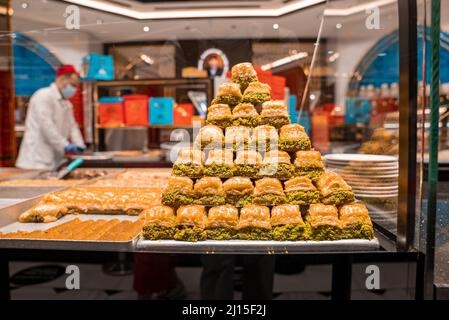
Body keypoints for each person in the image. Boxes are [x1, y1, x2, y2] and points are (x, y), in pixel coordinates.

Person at [16, 65, 86, 170]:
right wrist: (65, 145)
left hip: (53, 160)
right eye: (73, 85)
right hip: (35, 161)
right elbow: (47, 127)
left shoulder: (66, 103)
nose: (74, 89)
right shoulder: (43, 96)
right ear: (62, 79)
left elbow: (72, 126)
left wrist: (80, 145)